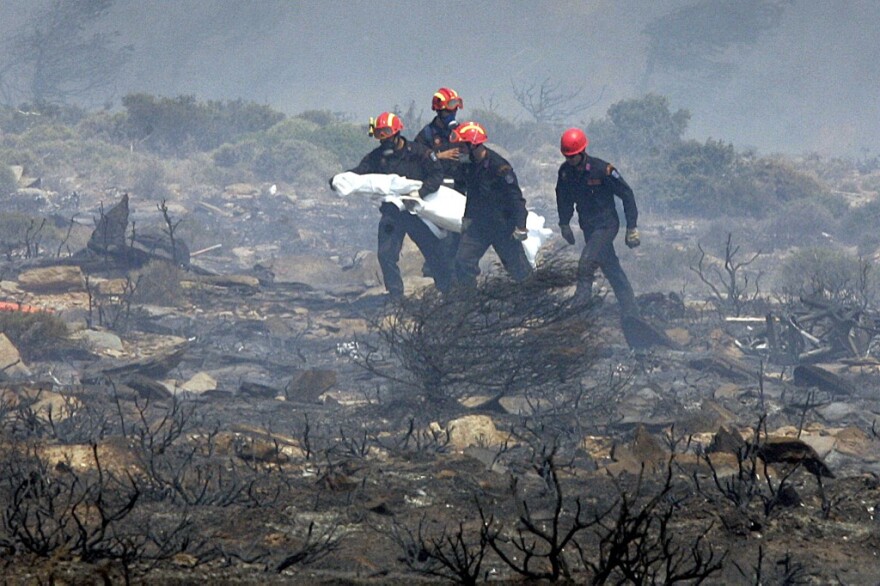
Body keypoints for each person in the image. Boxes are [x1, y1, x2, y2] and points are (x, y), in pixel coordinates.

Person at [345, 111, 451, 298]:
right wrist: (343, 179)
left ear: (397, 135)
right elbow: (361, 173)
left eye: (387, 138)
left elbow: (436, 175)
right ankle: (396, 297)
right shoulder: (377, 157)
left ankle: (448, 292)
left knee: (435, 253)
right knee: (386, 255)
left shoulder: (419, 153)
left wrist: (420, 193)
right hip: (393, 213)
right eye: (381, 139)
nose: (384, 144)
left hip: (418, 213)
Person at [555, 127, 640, 317]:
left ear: (581, 152)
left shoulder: (603, 170)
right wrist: (564, 223)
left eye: (572, 157)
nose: (569, 161)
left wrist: (632, 226)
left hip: (607, 225)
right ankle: (633, 313)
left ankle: (579, 310)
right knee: (611, 268)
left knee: (586, 263)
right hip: (588, 227)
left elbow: (626, 194)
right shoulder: (565, 173)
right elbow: (563, 198)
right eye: (566, 157)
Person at [449, 121, 532, 287]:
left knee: (519, 271)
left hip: (503, 227)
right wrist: (467, 218)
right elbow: (472, 194)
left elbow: (516, 199)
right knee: (462, 262)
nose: (459, 151)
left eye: (462, 146)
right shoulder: (468, 165)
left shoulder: (499, 167)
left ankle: (535, 302)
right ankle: (469, 303)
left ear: (473, 146)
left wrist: (521, 226)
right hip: (479, 226)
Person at [414, 87, 465, 279]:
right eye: (447, 111)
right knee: (438, 233)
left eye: (454, 110)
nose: (451, 115)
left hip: (460, 188)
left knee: (459, 232)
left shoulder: (462, 132)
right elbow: (415, 159)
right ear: (438, 111)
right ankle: (439, 272)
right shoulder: (427, 134)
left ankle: (457, 274)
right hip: (438, 189)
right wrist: (438, 156)